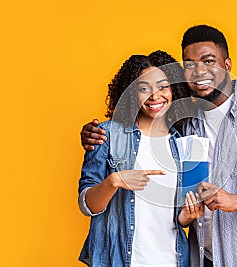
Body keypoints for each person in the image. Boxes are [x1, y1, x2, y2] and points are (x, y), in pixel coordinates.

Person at [81, 25, 237, 267]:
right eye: (189, 65)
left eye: (209, 60)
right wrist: (94, 135)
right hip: (207, 257)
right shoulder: (187, 127)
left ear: (227, 64)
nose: (199, 71)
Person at [78, 50, 199, 267]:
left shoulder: (185, 145)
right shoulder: (107, 135)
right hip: (120, 260)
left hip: (173, 260)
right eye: (144, 88)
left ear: (174, 89)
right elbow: (88, 205)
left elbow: (179, 217)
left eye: (163, 86)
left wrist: (187, 217)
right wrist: (114, 181)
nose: (155, 96)